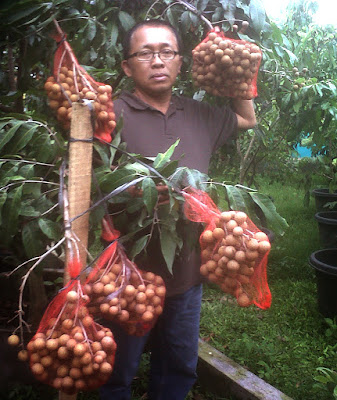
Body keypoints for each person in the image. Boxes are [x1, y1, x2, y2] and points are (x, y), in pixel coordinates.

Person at [100, 19, 256, 400]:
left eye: (166, 52)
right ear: (127, 66)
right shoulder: (110, 115)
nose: (158, 61)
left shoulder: (199, 114)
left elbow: (248, 118)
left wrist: (239, 68)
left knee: (179, 365)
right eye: (145, 53)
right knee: (119, 369)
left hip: (188, 272)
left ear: (180, 62)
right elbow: (88, 185)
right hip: (128, 276)